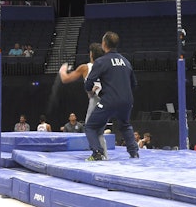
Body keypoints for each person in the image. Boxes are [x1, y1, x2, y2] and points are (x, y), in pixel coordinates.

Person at [83, 31, 139, 161]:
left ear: (104, 44)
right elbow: (134, 84)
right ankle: (134, 152)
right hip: (127, 100)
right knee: (125, 124)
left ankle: (97, 152)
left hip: (110, 100)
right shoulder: (126, 61)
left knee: (90, 126)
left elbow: (89, 83)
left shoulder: (101, 61)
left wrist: (91, 90)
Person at [59, 43, 109, 156]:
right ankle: (104, 155)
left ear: (91, 54)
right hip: (108, 99)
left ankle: (97, 154)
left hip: (96, 99)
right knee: (99, 131)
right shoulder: (107, 66)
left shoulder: (86, 67)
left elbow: (65, 79)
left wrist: (63, 69)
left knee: (90, 128)